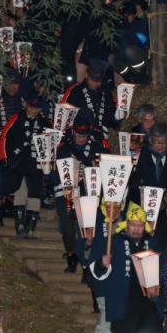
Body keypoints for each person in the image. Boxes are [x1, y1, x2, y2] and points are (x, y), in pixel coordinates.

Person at [83, 203, 161, 333]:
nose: (136, 229)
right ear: (126, 224)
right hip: (122, 299)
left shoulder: (152, 243)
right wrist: (102, 263)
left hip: (147, 300)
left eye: (140, 225)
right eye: (133, 225)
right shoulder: (115, 241)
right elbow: (94, 269)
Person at [0, 89, 50, 237]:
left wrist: (48, 163)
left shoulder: (45, 122)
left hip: (36, 165)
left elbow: (52, 143)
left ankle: (31, 227)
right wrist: (3, 157)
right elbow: (4, 137)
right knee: (20, 191)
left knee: (35, 194)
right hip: (18, 162)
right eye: (31, 107)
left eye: (37, 108)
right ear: (26, 105)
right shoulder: (16, 118)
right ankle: (19, 224)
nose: (33, 111)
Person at [55, 112, 101, 273]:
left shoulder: (96, 147)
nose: (81, 139)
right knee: (68, 227)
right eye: (78, 136)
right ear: (73, 132)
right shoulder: (64, 147)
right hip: (65, 192)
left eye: (84, 136)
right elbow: (57, 170)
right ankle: (71, 258)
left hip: (87, 193)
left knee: (85, 228)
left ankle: (85, 262)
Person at [60, 58, 118, 152]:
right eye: (92, 80)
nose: (95, 83)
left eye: (98, 81)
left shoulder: (106, 93)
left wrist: (116, 118)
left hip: (100, 140)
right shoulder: (75, 91)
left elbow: (110, 116)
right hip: (78, 138)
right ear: (87, 75)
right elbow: (63, 115)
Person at [135, 123, 167, 192]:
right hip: (144, 195)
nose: (160, 146)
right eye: (157, 142)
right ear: (150, 140)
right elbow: (135, 181)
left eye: (163, 142)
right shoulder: (140, 154)